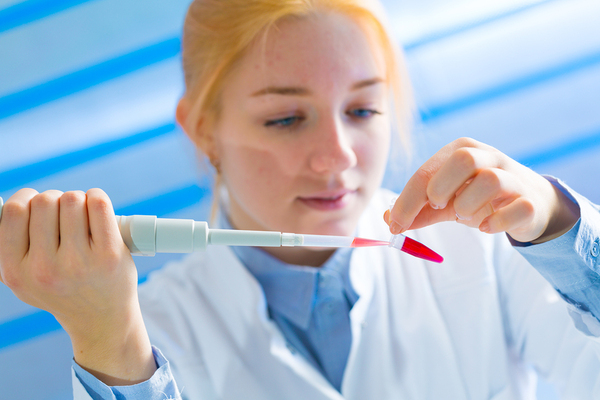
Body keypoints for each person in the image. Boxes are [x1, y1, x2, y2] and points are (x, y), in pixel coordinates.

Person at [1, 0, 600, 398]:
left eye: (363, 109)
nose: (337, 156)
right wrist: (108, 343)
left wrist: (560, 227)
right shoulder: (144, 331)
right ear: (203, 128)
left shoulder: (488, 250)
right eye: (287, 118)